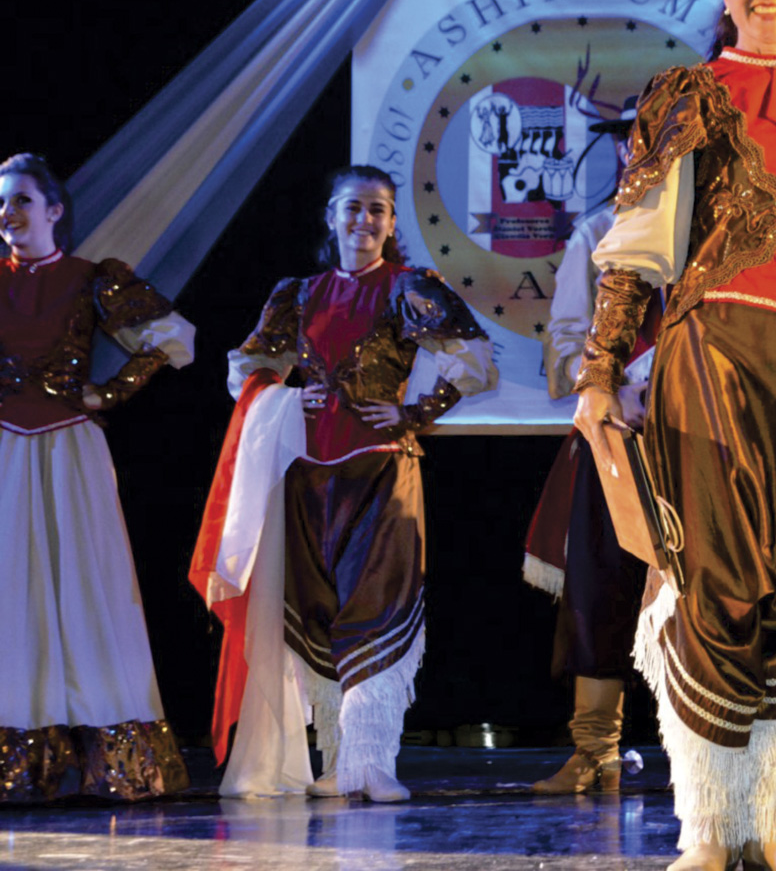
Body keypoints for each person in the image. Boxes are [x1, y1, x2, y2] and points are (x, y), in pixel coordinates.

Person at [573, 0, 776, 871]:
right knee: (714, 581)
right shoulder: (687, 93)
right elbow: (634, 246)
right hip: (714, 356)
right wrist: (600, 369)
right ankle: (709, 827)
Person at [217, 165, 496, 801]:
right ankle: (339, 763)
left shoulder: (408, 288)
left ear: (392, 223)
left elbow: (476, 360)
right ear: (331, 217)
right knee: (318, 614)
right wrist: (288, 397)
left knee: (375, 611)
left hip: (380, 470)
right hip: (307, 479)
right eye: (352, 207)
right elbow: (247, 370)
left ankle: (374, 763)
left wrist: (416, 412)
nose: (363, 220)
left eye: (377, 209)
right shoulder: (298, 294)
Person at [0, 152, 194, 802]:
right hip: (4, 448)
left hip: (68, 448)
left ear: (54, 210)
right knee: (9, 590)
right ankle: (21, 759)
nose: (8, 212)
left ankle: (110, 759)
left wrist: (109, 393)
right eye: (2, 201)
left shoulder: (90, 279)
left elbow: (174, 338)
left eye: (22, 199)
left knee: (86, 586)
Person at [523, 99, 656, 795]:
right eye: (637, 143)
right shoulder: (598, 232)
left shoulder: (715, 231)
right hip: (615, 440)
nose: (646, 154)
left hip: (701, 432)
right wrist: (618, 386)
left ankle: (716, 756)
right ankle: (594, 750)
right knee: (600, 588)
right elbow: (567, 338)